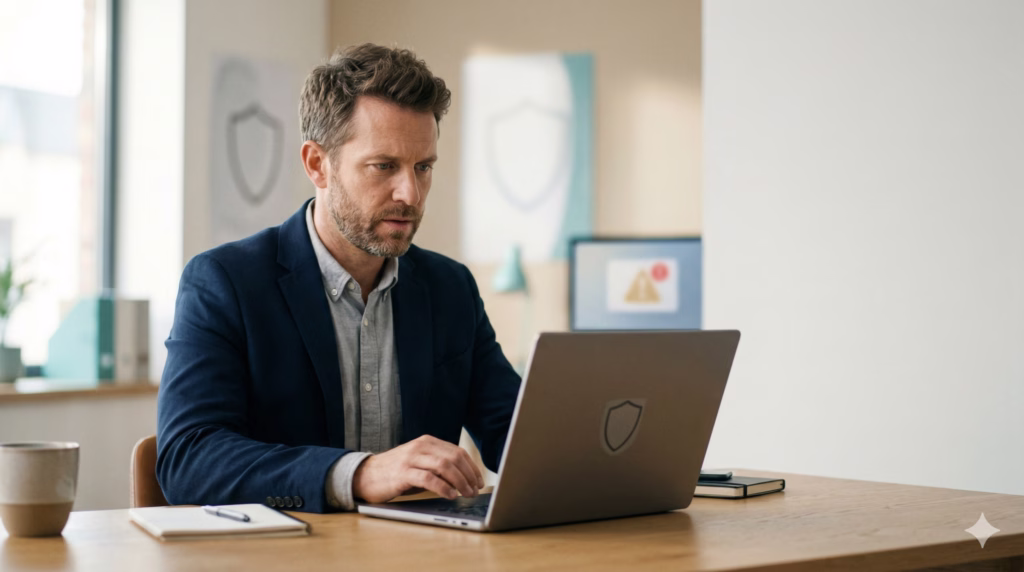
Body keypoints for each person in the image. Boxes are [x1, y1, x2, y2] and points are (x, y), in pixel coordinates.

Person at [156, 44, 521, 513]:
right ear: (317, 164)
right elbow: (189, 460)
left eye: (423, 167)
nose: (409, 193)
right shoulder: (224, 282)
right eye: (383, 166)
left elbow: (515, 433)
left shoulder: (451, 289)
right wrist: (358, 473)